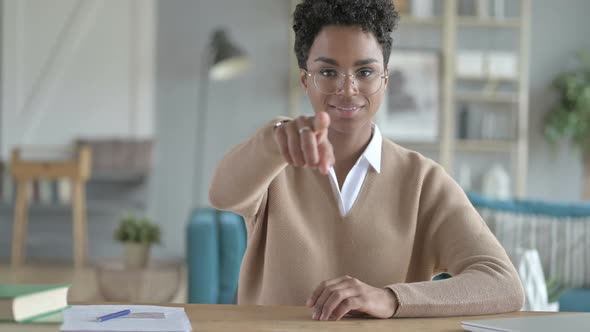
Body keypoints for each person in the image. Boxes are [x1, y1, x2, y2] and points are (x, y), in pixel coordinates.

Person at [209, 0, 524, 321]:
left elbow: (503, 283)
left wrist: (391, 299)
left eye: (365, 71)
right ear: (305, 80)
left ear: (385, 80)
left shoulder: (423, 181)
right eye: (328, 72)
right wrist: (273, 138)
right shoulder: (274, 162)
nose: (348, 89)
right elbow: (221, 195)